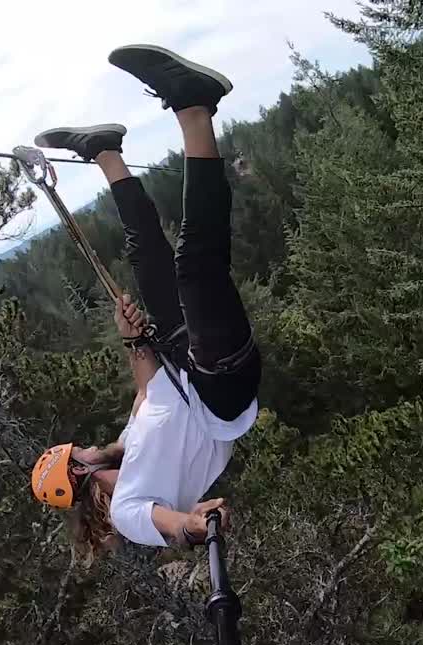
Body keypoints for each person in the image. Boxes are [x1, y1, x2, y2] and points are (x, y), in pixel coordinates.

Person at [29, 45, 261, 554]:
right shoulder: (128, 508)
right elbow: (173, 524)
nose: (88, 444)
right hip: (221, 392)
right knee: (197, 265)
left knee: (149, 263)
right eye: (80, 450)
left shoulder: (133, 447)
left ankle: (106, 152)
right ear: (81, 470)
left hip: (184, 371)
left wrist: (134, 340)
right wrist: (197, 524)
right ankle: (195, 108)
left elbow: (147, 393)